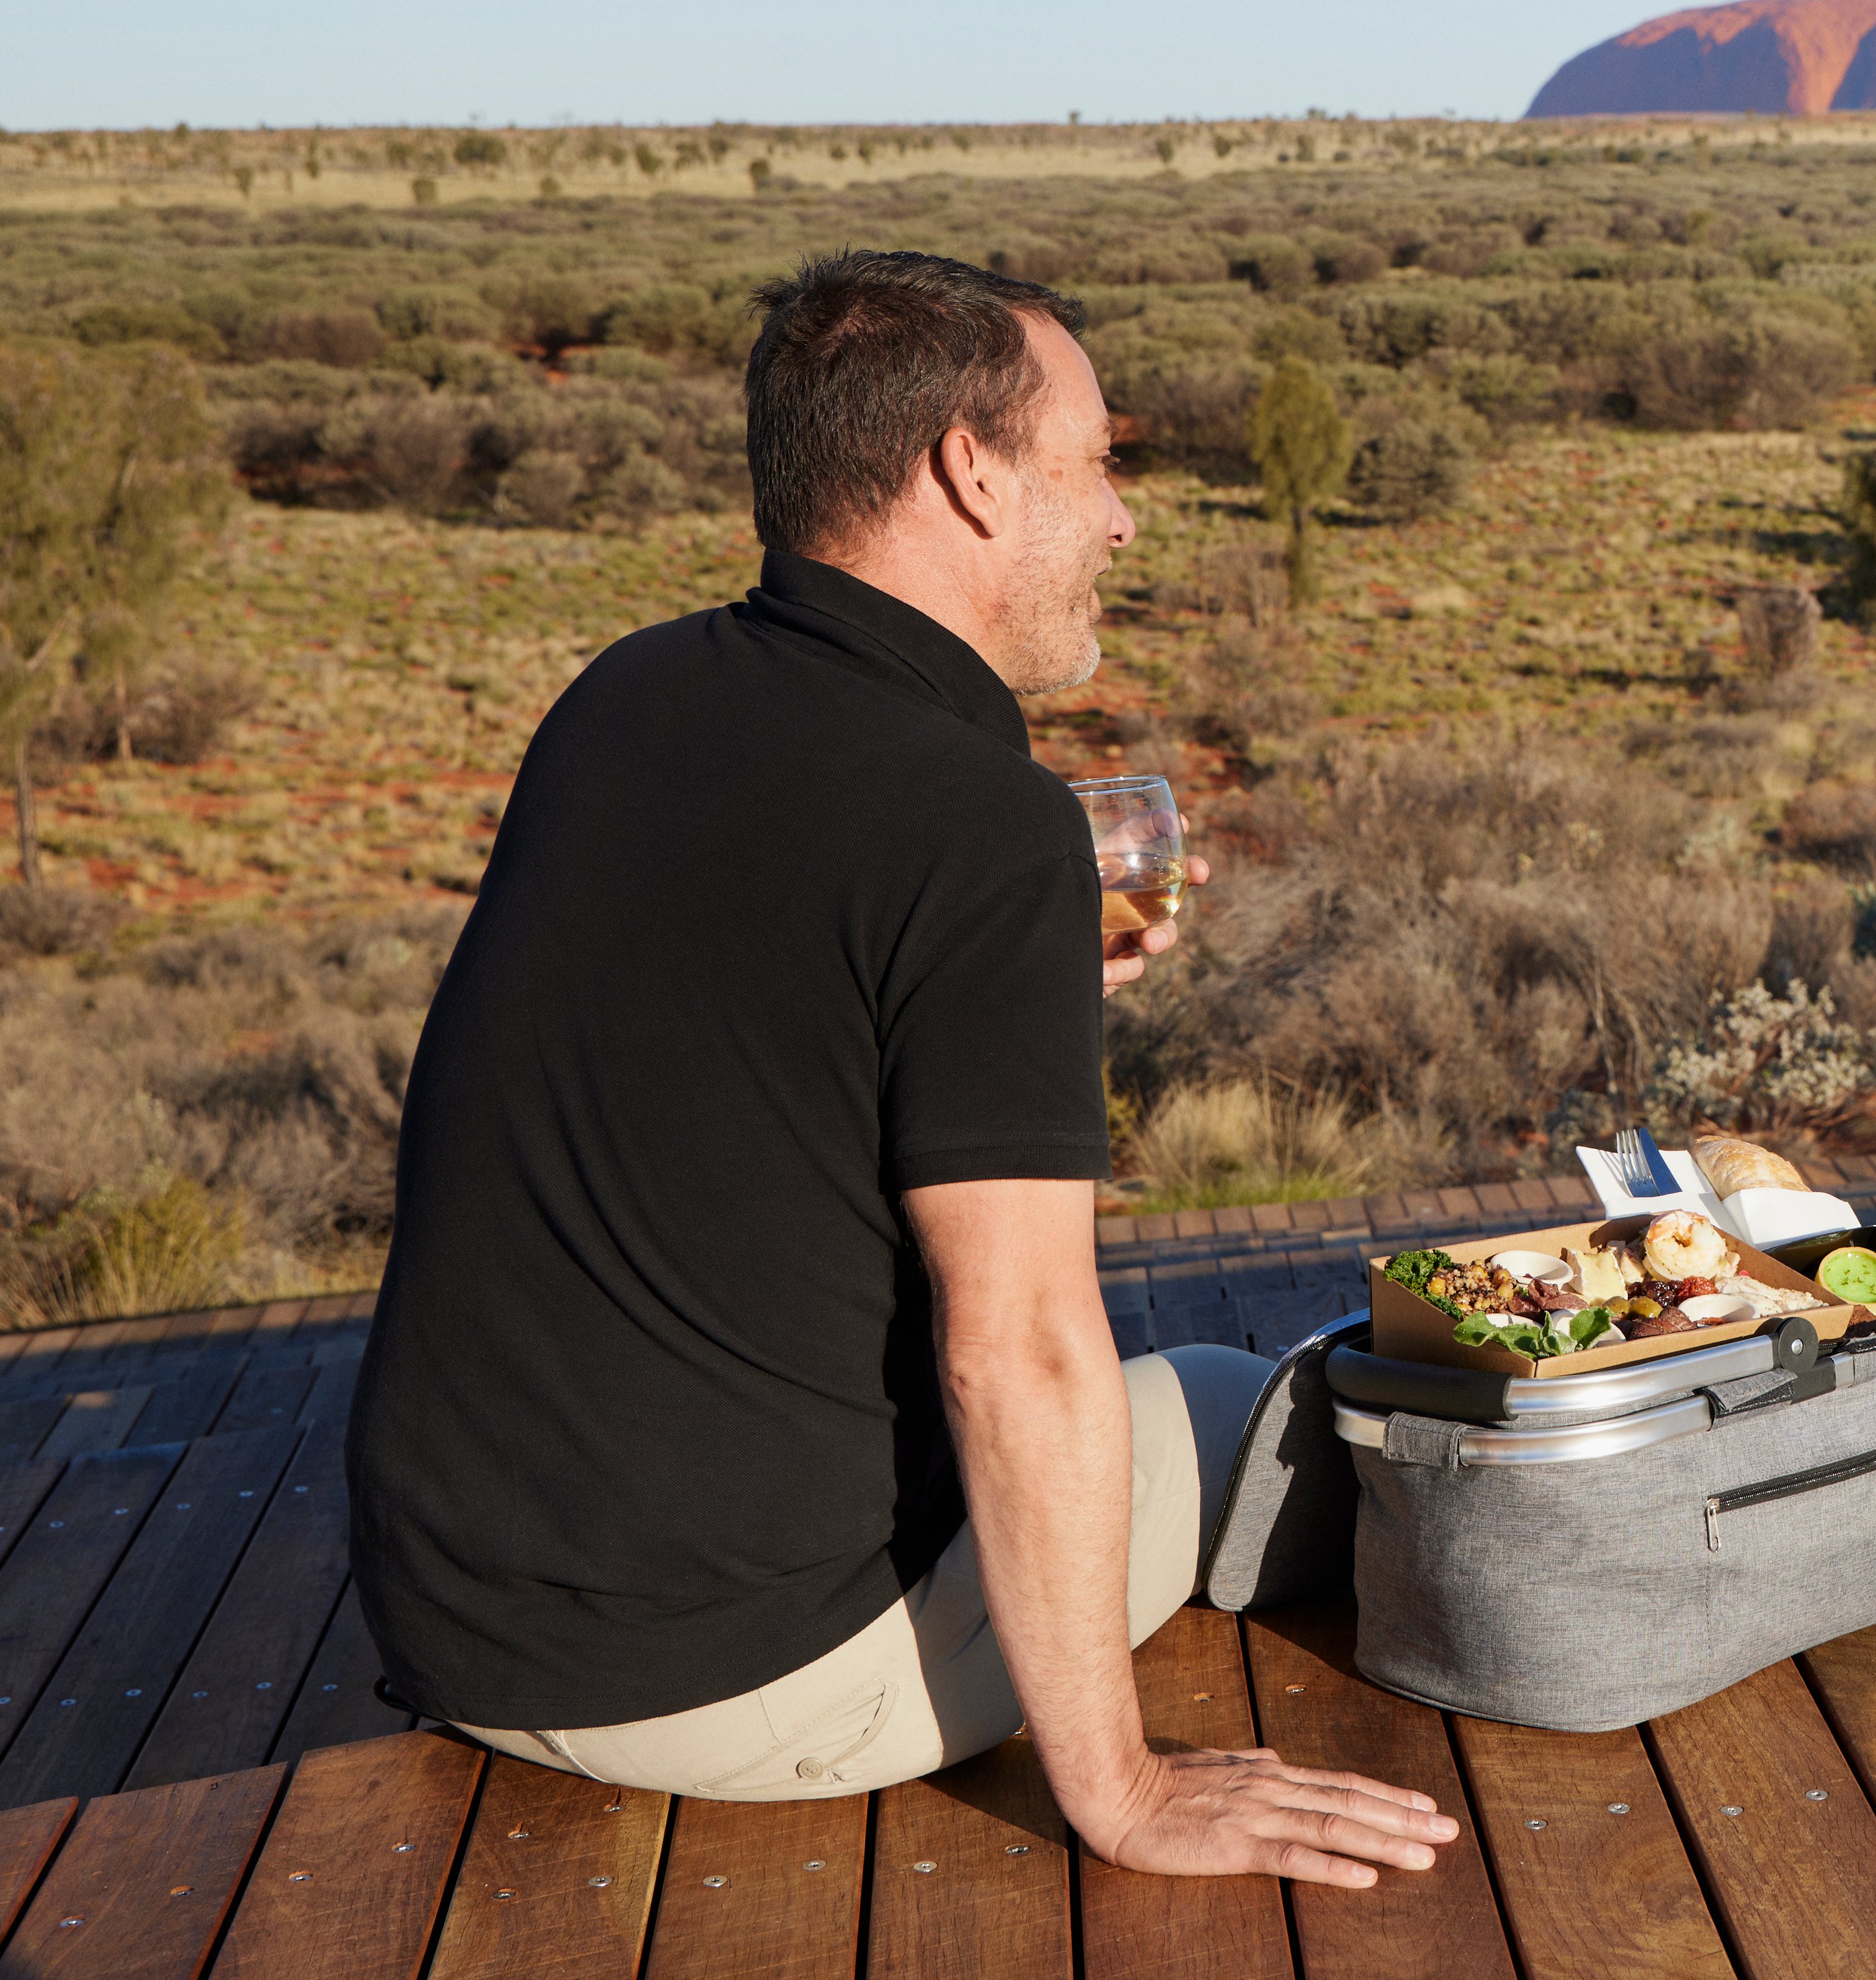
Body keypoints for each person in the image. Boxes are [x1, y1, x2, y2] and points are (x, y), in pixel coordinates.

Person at [351, 250, 1455, 1887]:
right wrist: (1126, 1793)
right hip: (723, 1682)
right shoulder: (980, 830)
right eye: (1095, 464)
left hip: (455, 1610)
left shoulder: (628, 690)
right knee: (1239, 1407)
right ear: (970, 470)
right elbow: (1016, 1358)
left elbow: (722, 1005)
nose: (1123, 517)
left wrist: (985, 977)